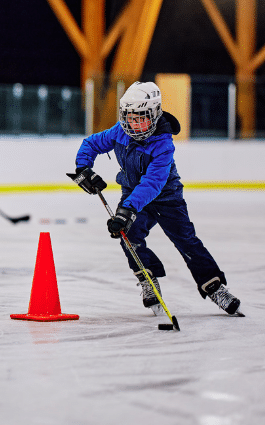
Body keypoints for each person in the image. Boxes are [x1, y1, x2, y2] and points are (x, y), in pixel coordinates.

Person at [70, 81, 243, 316]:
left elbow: (153, 183)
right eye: (130, 117)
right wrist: (84, 169)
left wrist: (127, 209)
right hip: (132, 193)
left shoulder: (163, 143)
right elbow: (91, 144)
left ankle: (214, 286)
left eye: (141, 117)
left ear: (154, 115)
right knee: (128, 236)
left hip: (166, 198)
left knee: (186, 240)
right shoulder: (120, 131)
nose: (134, 123)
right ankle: (147, 278)